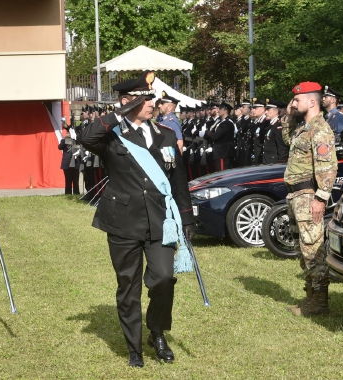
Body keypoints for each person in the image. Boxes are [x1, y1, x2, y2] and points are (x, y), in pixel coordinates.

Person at [79, 71, 195, 368]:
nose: (152, 103)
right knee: (128, 284)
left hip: (161, 220)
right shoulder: (111, 135)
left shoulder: (165, 134)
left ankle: (156, 332)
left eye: (152, 97)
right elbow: (86, 137)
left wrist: (186, 219)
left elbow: (178, 180)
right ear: (127, 101)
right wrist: (119, 113)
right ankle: (134, 346)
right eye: (145, 99)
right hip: (123, 220)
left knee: (164, 278)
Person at [284, 82, 337, 316]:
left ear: (312, 102)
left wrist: (321, 198)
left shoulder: (320, 129)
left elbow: (328, 167)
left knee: (313, 249)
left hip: (308, 196)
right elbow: (288, 139)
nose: (293, 104)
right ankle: (310, 296)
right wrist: (289, 116)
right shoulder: (303, 129)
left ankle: (319, 302)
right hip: (296, 195)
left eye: (297, 100)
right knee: (302, 248)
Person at [207, 102, 235, 171]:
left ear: (225, 110)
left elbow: (216, 136)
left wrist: (207, 133)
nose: (218, 110)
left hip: (223, 151)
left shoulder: (227, 123)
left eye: (220, 109)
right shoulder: (220, 121)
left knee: (222, 172)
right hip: (219, 151)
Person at [59, 121, 82, 195]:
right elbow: (59, 147)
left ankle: (76, 192)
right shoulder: (64, 140)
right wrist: (65, 139)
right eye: (68, 132)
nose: (68, 134)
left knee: (75, 179)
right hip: (67, 162)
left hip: (75, 162)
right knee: (68, 180)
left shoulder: (77, 140)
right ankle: (68, 193)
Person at [261, 100, 288, 164]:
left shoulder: (278, 126)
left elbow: (282, 148)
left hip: (274, 162)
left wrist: (281, 162)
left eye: (268, 110)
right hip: (268, 161)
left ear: (276, 111)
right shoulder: (271, 125)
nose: (265, 112)